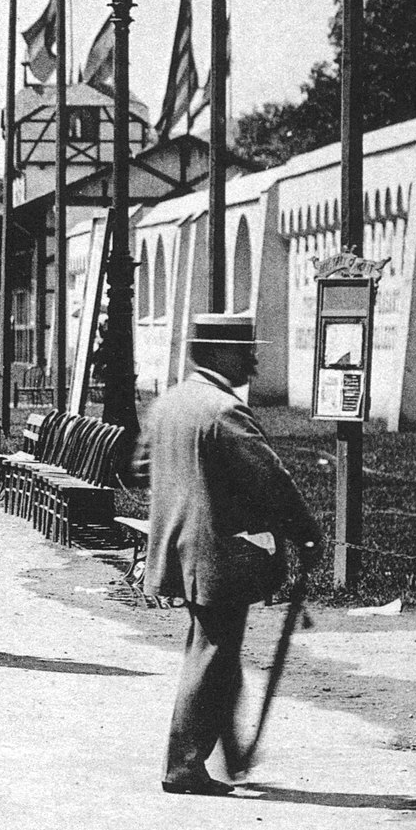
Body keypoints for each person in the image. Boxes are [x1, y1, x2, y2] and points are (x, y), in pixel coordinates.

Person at [146, 312, 322, 796]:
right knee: (214, 652)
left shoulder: (172, 403)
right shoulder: (224, 410)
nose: (254, 360)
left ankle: (225, 753)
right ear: (220, 352)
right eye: (246, 350)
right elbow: (271, 480)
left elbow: (146, 467)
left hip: (179, 548)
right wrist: (306, 533)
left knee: (214, 649)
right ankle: (184, 765)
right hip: (215, 553)